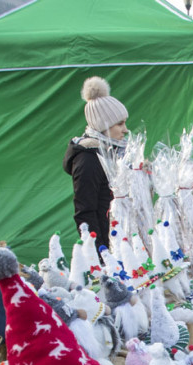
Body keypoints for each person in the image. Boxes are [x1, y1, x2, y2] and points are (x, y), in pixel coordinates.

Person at [63, 76, 128, 253]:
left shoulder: (111, 153)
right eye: (120, 124)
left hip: (120, 241)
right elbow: (85, 212)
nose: (125, 130)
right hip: (107, 248)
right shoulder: (88, 160)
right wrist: (101, 253)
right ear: (103, 125)